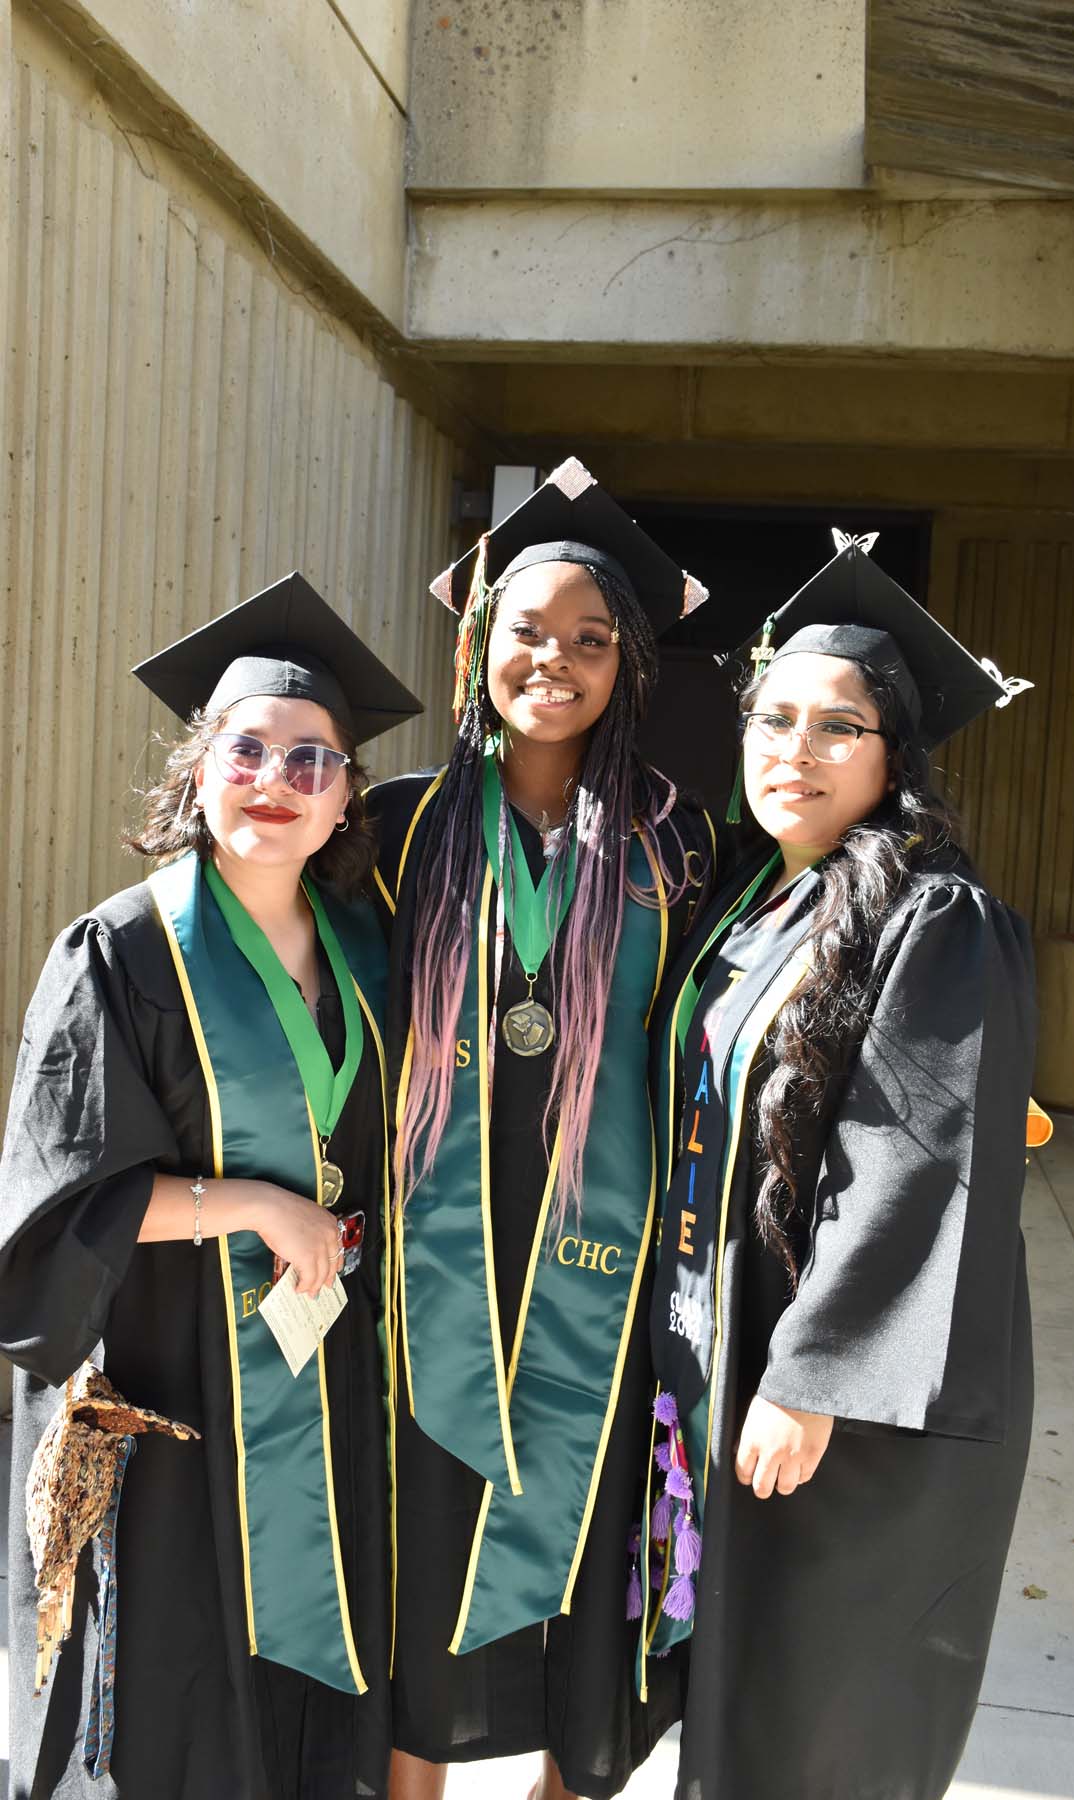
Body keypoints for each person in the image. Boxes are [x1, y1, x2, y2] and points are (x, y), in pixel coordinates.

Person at [0, 574, 420, 1800]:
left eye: (314, 762)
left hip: (322, 1363)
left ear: (347, 799)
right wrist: (256, 1207)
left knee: (308, 1654)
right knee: (176, 1679)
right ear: (196, 769)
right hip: (168, 1376)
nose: (276, 782)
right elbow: (58, 1200)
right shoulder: (119, 953)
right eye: (247, 750)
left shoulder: (367, 953)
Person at [639, 533, 1039, 1800]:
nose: (793, 752)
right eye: (775, 720)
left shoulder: (940, 918)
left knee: (820, 1712)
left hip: (853, 1403)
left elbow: (917, 1164)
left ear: (893, 755)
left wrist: (811, 1377)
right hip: (733, 1353)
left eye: (837, 728)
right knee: (742, 1691)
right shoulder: (759, 898)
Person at [370, 460, 715, 1800]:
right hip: (427, 1261)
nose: (554, 662)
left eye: (590, 640)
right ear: (478, 646)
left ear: (628, 664)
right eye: (526, 631)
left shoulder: (677, 845)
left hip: (599, 1266)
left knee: (584, 1549)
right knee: (427, 1537)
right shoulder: (395, 828)